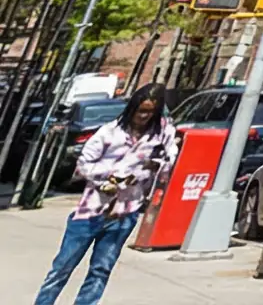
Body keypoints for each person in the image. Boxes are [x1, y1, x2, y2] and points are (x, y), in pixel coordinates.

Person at [35, 83, 176, 305]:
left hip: (124, 213)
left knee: (101, 270)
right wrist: (111, 177)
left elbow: (169, 163)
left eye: (150, 112)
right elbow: (83, 164)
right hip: (90, 211)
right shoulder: (110, 132)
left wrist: (147, 167)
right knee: (62, 268)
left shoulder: (160, 135)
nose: (143, 116)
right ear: (132, 108)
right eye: (140, 110)